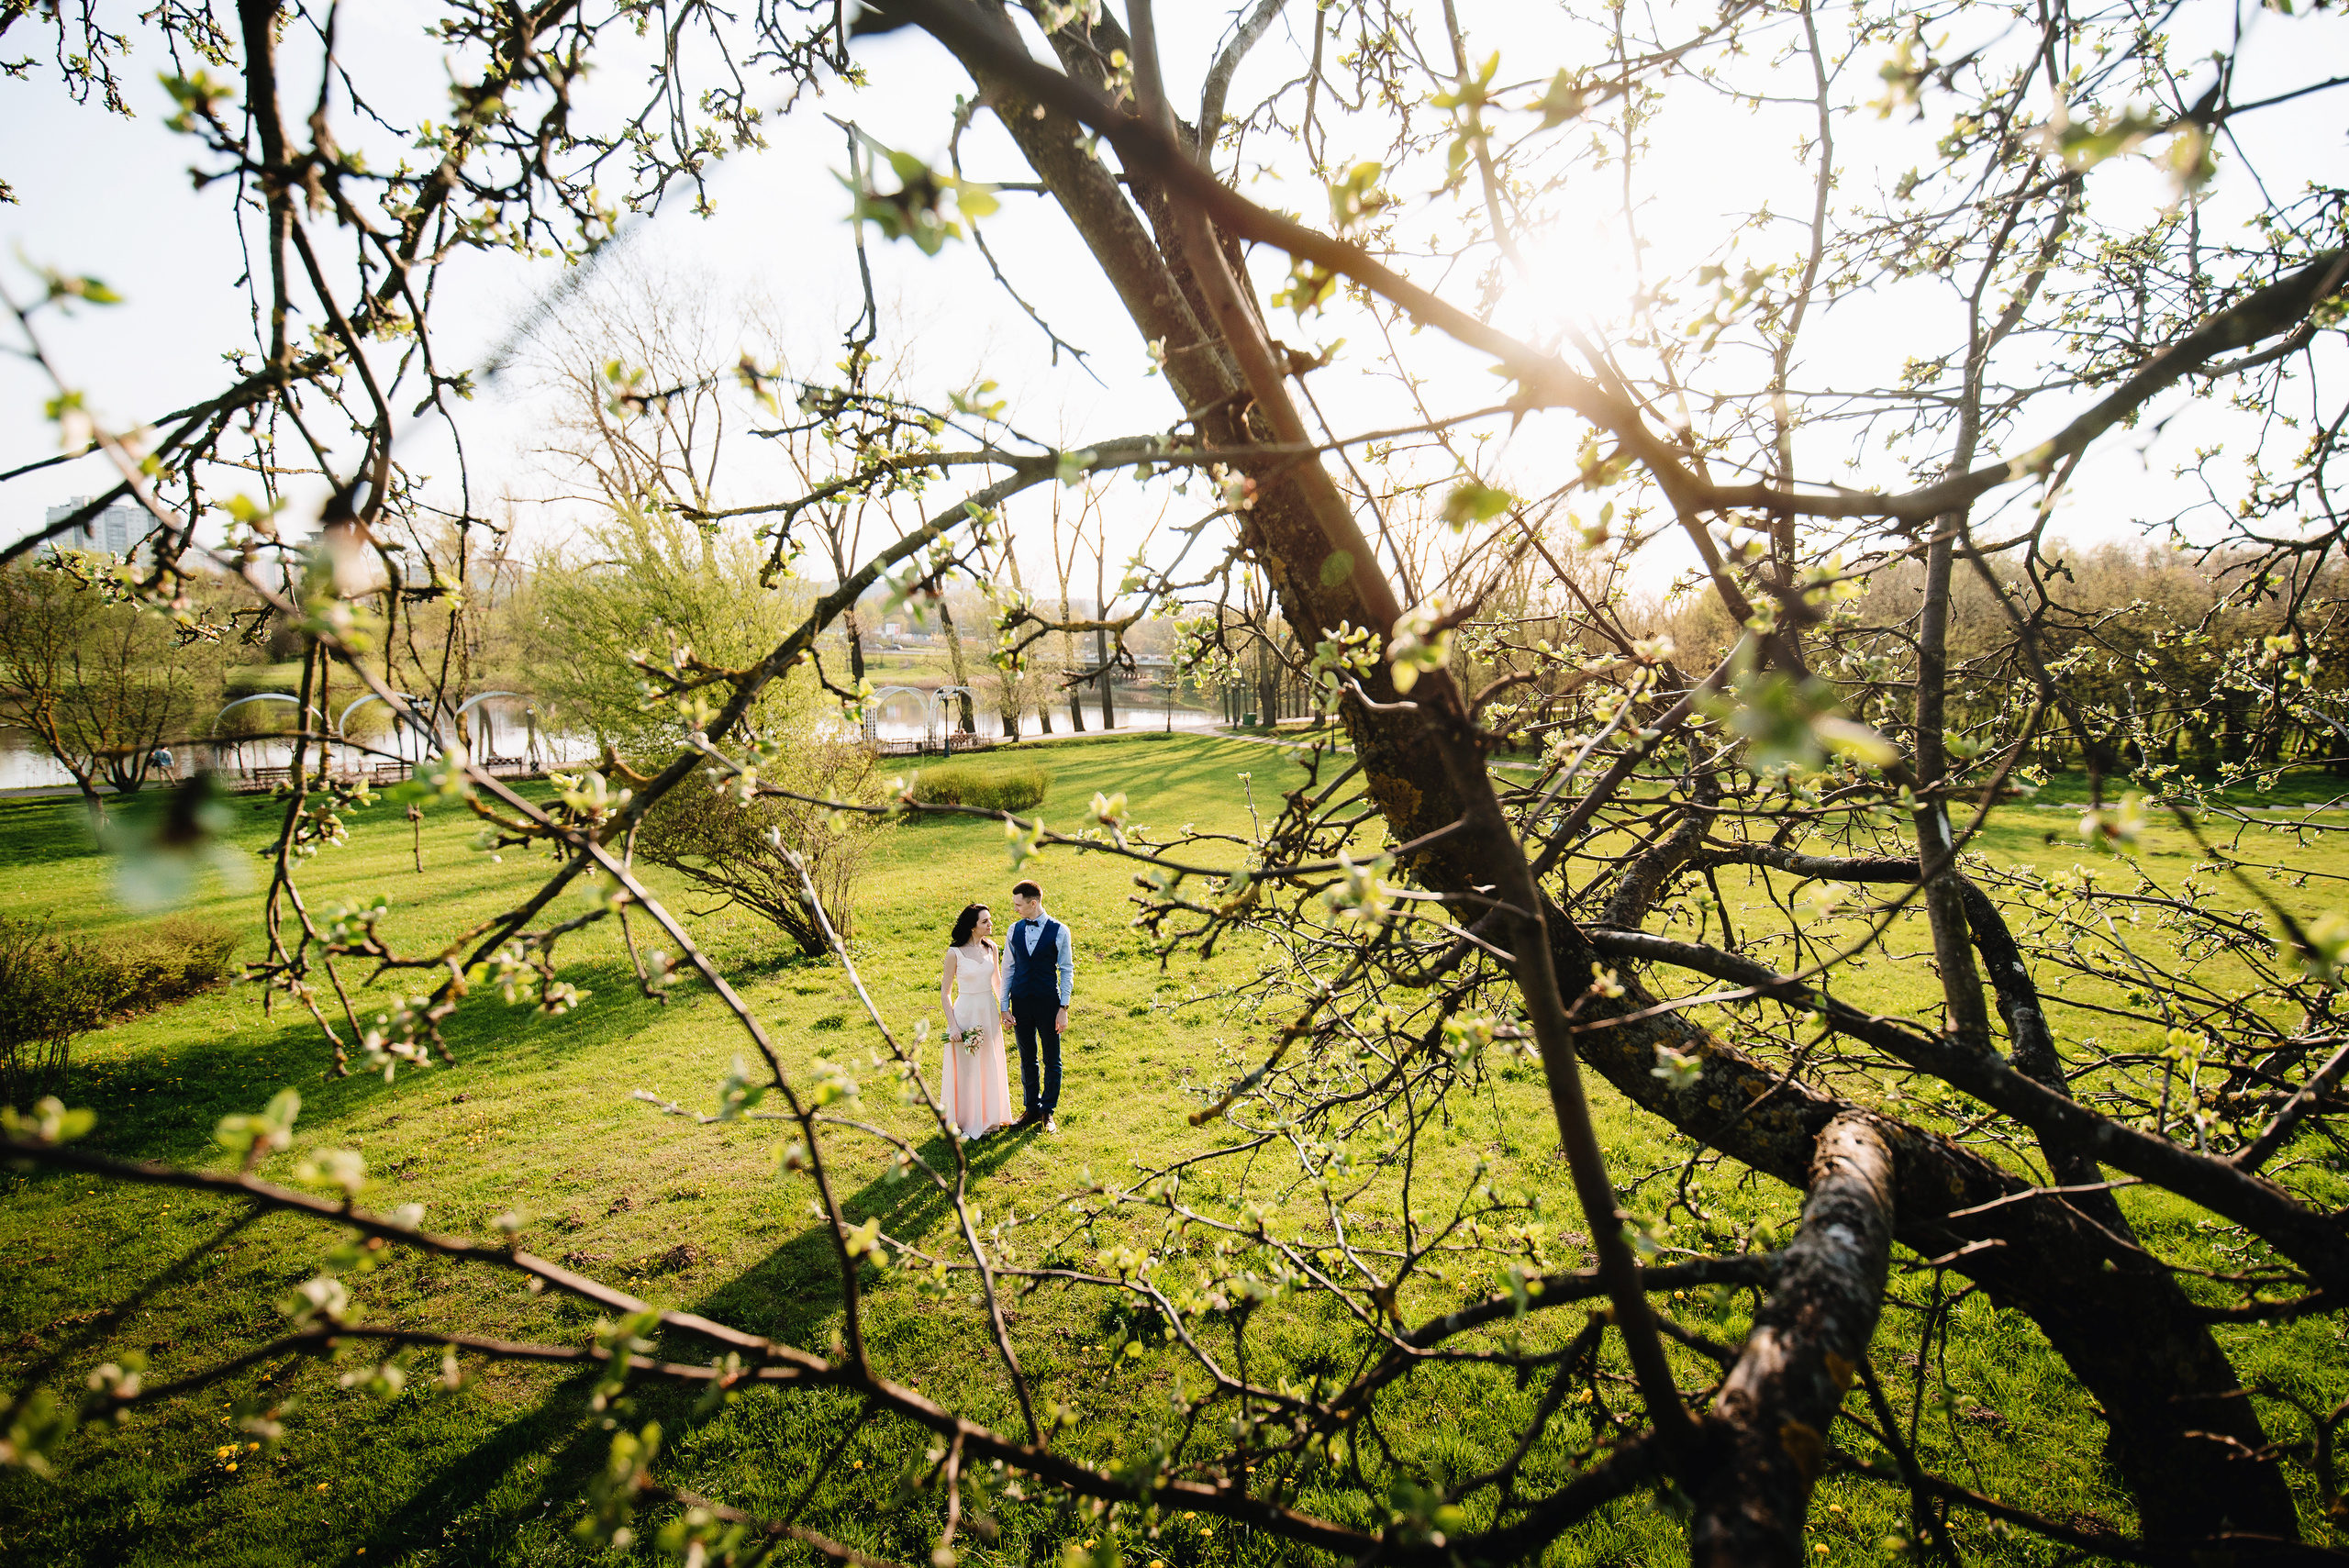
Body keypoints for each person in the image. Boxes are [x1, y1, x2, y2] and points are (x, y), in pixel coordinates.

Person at [1000, 878, 1073, 1132]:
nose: (1015, 909)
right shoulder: (1013, 930)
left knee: (1052, 1058)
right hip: (1020, 1002)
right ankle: (1031, 1108)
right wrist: (1004, 1006)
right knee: (1027, 1057)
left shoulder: (1060, 931)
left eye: (1018, 905)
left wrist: (1063, 1008)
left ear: (1033, 903)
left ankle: (1047, 1111)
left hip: (1048, 1003)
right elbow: (1008, 968)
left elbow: (1066, 969)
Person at [939, 904, 1013, 1139]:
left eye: (990, 919)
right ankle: (966, 1120)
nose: (990, 924)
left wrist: (1005, 1011)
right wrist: (953, 1026)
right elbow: (945, 993)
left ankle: (990, 1117)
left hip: (988, 1012)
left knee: (989, 1063)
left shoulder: (992, 948)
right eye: (984, 921)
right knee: (967, 1069)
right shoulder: (955, 953)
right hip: (965, 1014)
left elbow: (997, 982)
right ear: (973, 926)